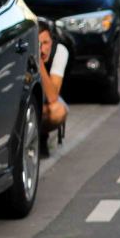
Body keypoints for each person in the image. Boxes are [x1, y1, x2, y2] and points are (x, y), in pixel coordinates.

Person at [38, 20, 69, 149]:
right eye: (38, 44)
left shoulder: (59, 51)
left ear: (51, 41)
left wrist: (38, 61)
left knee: (58, 111)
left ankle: (41, 134)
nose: (42, 49)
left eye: (45, 43)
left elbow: (52, 96)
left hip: (45, 99)